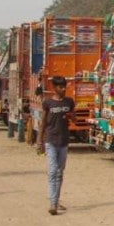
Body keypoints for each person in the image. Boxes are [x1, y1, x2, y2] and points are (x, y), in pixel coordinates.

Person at [37, 76, 74, 215]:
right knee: (52, 172)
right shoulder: (48, 103)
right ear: (54, 88)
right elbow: (43, 122)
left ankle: (56, 200)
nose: (63, 89)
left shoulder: (69, 102)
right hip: (51, 141)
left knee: (59, 173)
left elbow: (74, 117)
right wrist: (39, 141)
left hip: (64, 142)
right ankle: (53, 203)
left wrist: (71, 116)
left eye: (64, 86)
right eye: (60, 87)